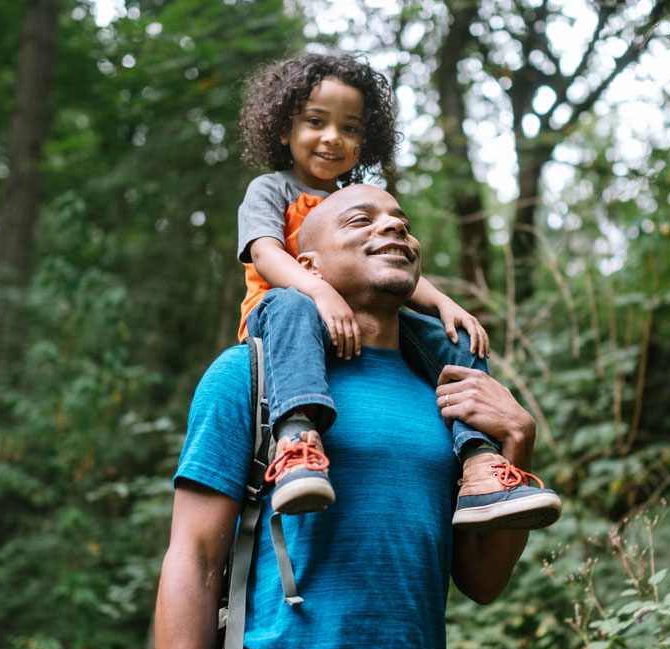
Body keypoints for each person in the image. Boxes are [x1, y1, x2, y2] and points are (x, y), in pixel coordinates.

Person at [156, 185, 550, 649]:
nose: (393, 228)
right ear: (306, 265)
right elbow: (194, 559)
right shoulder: (248, 375)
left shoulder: (451, 395)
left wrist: (517, 444)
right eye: (362, 219)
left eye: (402, 221)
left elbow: (482, 582)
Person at [235, 51, 561, 530]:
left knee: (453, 338)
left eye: (350, 128)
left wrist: (445, 304)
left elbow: (391, 267)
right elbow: (265, 254)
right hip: (285, 321)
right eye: (315, 122)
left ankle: (479, 464)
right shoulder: (271, 189)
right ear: (283, 129)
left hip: (359, 321)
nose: (333, 138)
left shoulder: (358, 197)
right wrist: (319, 291)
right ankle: (298, 441)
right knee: (290, 303)